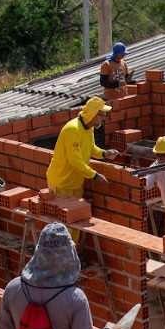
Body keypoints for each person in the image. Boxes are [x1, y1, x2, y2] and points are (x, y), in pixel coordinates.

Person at [47, 97, 119, 241]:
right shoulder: (72, 129)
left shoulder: (89, 128)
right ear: (92, 113)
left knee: (76, 220)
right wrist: (94, 175)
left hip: (75, 182)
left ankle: (74, 255)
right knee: (63, 224)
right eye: (101, 114)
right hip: (62, 182)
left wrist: (105, 153)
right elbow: (75, 161)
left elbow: (91, 149)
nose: (103, 118)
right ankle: (63, 257)